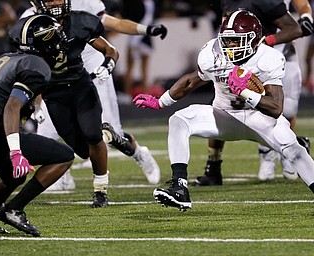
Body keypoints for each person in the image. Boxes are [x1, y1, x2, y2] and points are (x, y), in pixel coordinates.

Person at [133, 10, 314, 211]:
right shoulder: (213, 54)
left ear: (253, 40)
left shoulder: (267, 58)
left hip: (259, 119)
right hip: (224, 116)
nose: (230, 46)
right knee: (179, 119)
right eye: (227, 41)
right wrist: (161, 102)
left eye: (237, 41)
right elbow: (192, 80)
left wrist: (246, 92)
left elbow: (275, 108)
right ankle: (179, 188)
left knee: (294, 150)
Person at [25, 0, 167, 191]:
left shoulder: (82, 3)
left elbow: (114, 24)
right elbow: (31, 65)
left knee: (109, 132)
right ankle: (62, 175)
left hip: (92, 71)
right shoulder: (27, 19)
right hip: (56, 81)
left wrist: (146, 30)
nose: (54, 2)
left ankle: (138, 153)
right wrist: (36, 100)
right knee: (48, 131)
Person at [192, 0, 314, 186]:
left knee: (286, 110)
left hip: (277, 54)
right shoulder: (227, 2)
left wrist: (268, 39)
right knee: (221, 104)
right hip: (244, 56)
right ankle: (217, 166)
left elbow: (296, 25)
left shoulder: (265, 2)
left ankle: (288, 150)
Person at [25, 0, 119, 208]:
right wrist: (35, 101)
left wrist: (108, 65)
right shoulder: (30, 27)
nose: (55, 2)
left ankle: (100, 190)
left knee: (92, 136)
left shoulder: (80, 21)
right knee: (83, 151)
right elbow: (29, 70)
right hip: (54, 94)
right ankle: (108, 135)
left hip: (80, 87)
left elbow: (111, 49)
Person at [0, 14, 74, 236]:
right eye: (55, 35)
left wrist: (36, 107)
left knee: (14, 176)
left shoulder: (9, 58)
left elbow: (20, 91)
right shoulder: (37, 65)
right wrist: (16, 151)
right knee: (64, 155)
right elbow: (12, 107)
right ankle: (14, 209)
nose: (60, 40)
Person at [121, 0, 162, 97]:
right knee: (141, 67)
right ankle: (143, 94)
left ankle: (129, 93)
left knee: (132, 67)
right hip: (145, 37)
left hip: (137, 36)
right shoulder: (152, 3)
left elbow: (127, 15)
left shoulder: (136, 2)